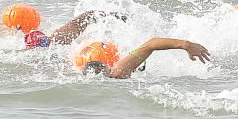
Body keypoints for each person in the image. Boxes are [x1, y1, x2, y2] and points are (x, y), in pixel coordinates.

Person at [80, 38, 211, 80]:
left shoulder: (119, 71)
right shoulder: (117, 72)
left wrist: (185, 45)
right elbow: (150, 44)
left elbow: (151, 44)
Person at [21, 10, 127, 49]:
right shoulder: (58, 39)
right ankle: (117, 16)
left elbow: (86, 17)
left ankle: (117, 16)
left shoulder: (58, 38)